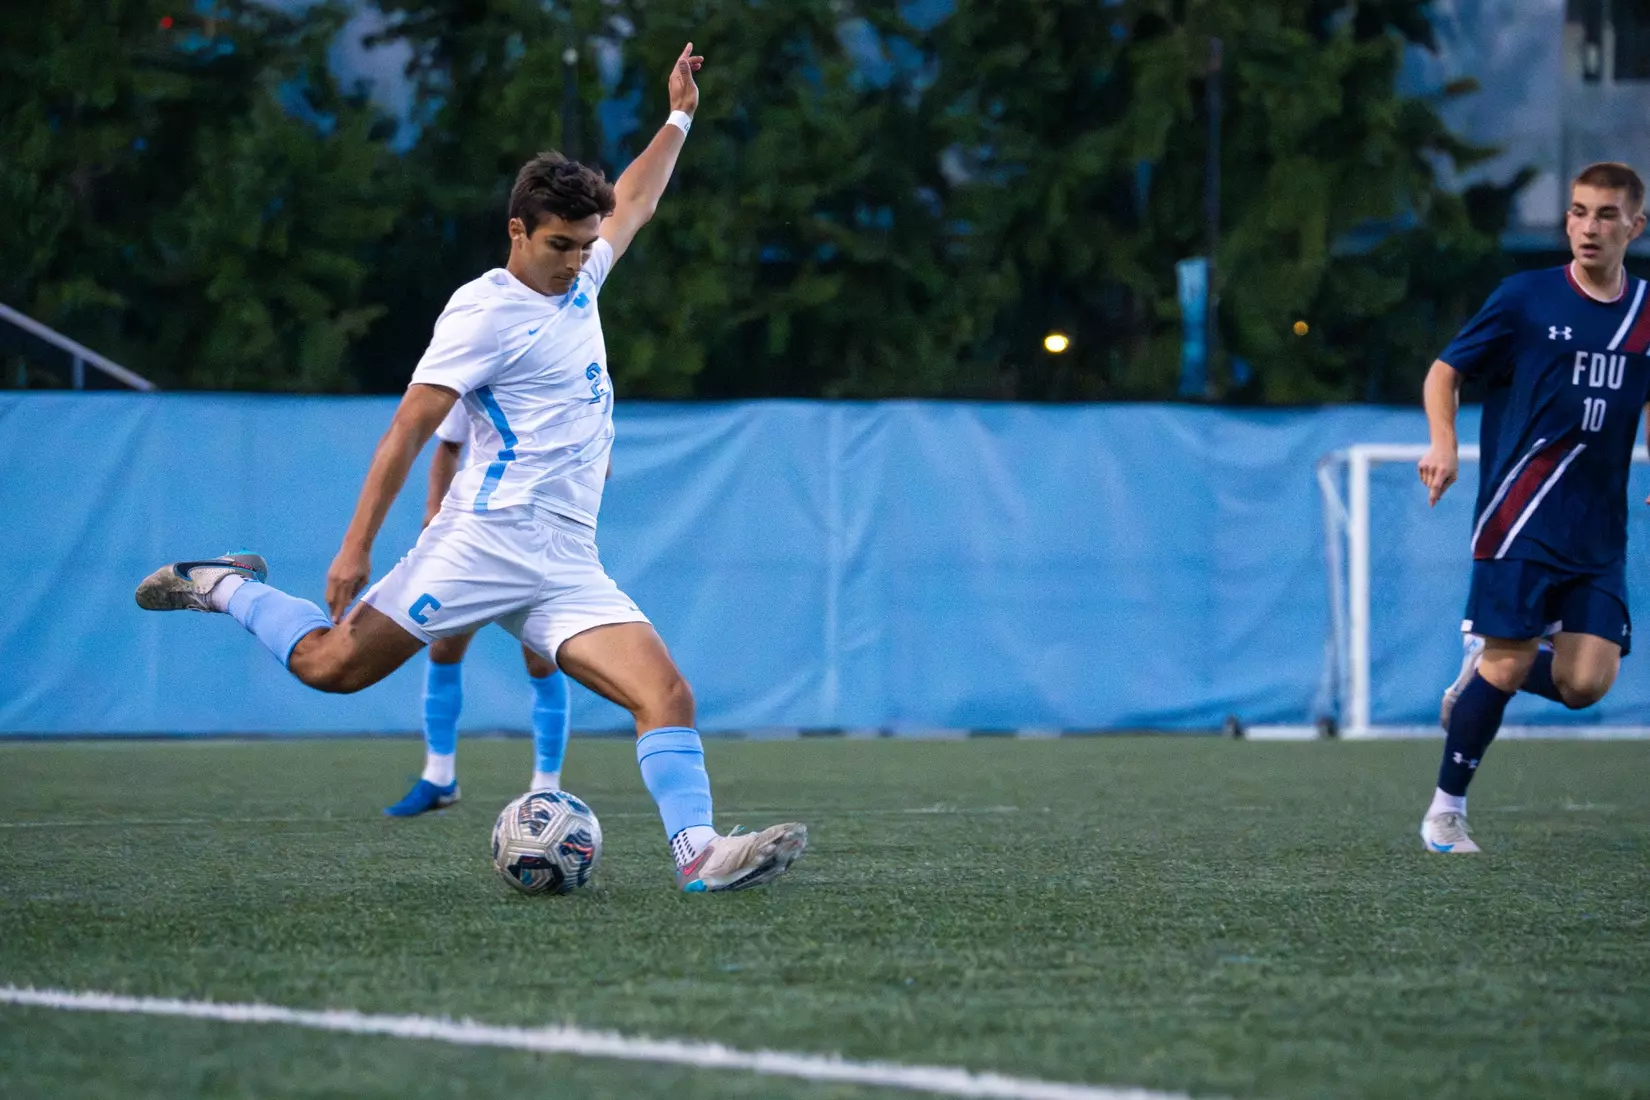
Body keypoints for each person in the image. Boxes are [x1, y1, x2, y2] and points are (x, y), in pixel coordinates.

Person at [135, 44, 807, 891]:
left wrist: (679, 115)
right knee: (329, 669)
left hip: (564, 562)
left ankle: (699, 856)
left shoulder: (584, 279)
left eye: (585, 244)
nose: (575, 260)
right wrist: (354, 548)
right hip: (480, 544)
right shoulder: (482, 312)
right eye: (559, 243)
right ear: (518, 231)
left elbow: (635, 195)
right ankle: (224, 583)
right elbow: (407, 432)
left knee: (666, 695)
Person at [1416, 161, 1650, 853]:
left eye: (1607, 215)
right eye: (1578, 211)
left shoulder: (1645, 316)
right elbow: (1444, 370)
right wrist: (1444, 442)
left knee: (1585, 684)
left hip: (1598, 529)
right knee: (1511, 664)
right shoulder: (1525, 299)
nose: (1589, 227)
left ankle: (1482, 670)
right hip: (1519, 514)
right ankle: (1444, 812)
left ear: (1635, 227)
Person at [382, 402, 573, 817]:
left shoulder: (571, 385)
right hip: (476, 536)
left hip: (538, 540)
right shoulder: (477, 374)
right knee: (443, 649)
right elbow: (449, 446)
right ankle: (439, 776)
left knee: (542, 662)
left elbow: (600, 464)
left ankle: (546, 788)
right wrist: (433, 513)